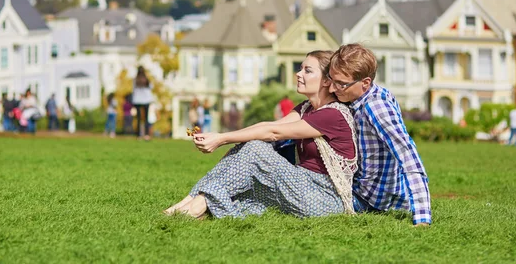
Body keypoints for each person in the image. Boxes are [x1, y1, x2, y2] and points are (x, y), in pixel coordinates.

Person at [164, 50, 357, 220]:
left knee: (256, 149)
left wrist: (221, 138)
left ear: (326, 80)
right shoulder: (306, 108)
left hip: (324, 198)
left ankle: (196, 207)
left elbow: (273, 133)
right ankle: (186, 203)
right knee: (251, 151)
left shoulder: (333, 114)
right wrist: (223, 137)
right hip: (301, 185)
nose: (298, 74)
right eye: (300, 68)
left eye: (307, 70)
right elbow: (270, 126)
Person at [327, 43, 431, 227]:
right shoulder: (359, 98)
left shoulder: (376, 106)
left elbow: (407, 155)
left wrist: (422, 218)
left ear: (365, 83)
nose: (332, 89)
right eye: (331, 80)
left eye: (341, 84)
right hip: (363, 191)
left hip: (371, 201)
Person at [132, 66, 153, 141]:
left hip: (137, 100)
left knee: (138, 119)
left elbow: (133, 89)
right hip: (146, 100)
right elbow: (151, 88)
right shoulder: (147, 80)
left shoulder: (135, 80)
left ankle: (138, 135)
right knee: (146, 118)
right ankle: (146, 135)